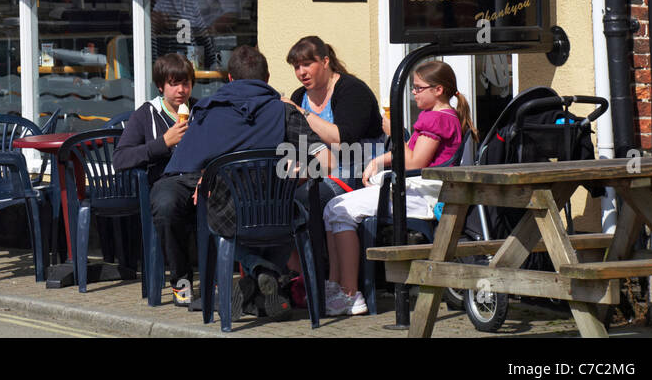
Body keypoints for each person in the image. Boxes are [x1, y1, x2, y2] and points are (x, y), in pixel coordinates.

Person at [150, 45, 299, 316]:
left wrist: (206, 182)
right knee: (170, 201)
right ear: (267, 78)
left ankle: (253, 275)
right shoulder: (285, 112)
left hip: (222, 198)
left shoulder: (210, 109)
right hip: (276, 204)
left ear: (229, 78)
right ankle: (262, 285)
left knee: (203, 213)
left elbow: (193, 158)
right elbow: (316, 159)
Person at [319, 60, 473, 317]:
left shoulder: (436, 118)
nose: (414, 93)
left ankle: (349, 293)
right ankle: (336, 285)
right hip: (420, 189)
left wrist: (389, 147)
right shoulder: (443, 116)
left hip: (422, 195)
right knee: (333, 208)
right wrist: (382, 158)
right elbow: (413, 155)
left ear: (438, 90)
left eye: (419, 88)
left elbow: (415, 161)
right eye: (413, 88)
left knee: (340, 210)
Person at [284, 36, 383, 187]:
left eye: (307, 64)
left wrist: (300, 111)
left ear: (325, 61)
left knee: (309, 197)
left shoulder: (353, 90)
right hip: (319, 171)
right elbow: (298, 142)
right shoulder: (299, 96)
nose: (301, 72)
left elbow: (343, 140)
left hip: (360, 172)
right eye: (296, 67)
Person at [114, 53, 192, 186]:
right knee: (166, 203)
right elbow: (120, 159)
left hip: (199, 180)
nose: (181, 90)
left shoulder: (202, 111)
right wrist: (164, 142)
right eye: (174, 84)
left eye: (186, 84)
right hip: (164, 183)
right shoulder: (145, 114)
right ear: (160, 86)